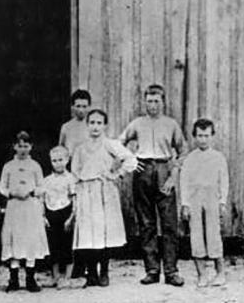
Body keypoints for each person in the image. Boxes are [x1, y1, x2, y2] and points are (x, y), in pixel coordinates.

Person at [120, 84, 187, 287]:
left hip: (164, 169)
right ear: (144, 102)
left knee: (168, 224)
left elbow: (183, 151)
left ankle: (171, 271)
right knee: (146, 224)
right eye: (149, 101)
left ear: (163, 102)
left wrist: (173, 175)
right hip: (143, 172)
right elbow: (118, 143)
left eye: (156, 101)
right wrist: (131, 160)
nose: (153, 105)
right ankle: (152, 270)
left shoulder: (171, 124)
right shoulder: (137, 123)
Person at [72, 110, 138, 287]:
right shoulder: (80, 148)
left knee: (104, 232)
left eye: (99, 123)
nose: (95, 127)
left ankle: (104, 271)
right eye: (92, 122)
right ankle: (91, 272)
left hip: (105, 192)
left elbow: (130, 159)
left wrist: (116, 174)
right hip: (87, 192)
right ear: (87, 125)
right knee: (90, 233)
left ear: (105, 125)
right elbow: (75, 172)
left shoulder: (110, 144)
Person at [180, 118, 229, 287]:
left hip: (212, 198)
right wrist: (185, 204)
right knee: (196, 236)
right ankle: (202, 275)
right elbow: (184, 182)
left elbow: (224, 180)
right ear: (194, 137)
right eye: (200, 135)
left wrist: (222, 201)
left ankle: (220, 273)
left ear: (212, 136)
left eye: (206, 135)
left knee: (214, 235)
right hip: (194, 199)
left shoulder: (218, 157)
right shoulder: (190, 159)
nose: (203, 139)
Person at [0, 131, 49, 293]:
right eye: (19, 146)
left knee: (29, 241)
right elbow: (2, 187)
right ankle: (13, 279)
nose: (22, 149)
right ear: (14, 146)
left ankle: (30, 279)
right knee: (15, 240)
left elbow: (42, 186)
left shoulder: (35, 166)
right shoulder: (8, 166)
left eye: (26, 146)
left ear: (31, 147)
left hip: (30, 207)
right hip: (14, 207)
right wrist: (12, 193)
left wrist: (31, 191)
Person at [42, 145, 76, 289]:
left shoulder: (70, 178)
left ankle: (67, 277)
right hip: (51, 213)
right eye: (54, 160)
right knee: (53, 246)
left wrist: (72, 217)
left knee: (66, 246)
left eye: (61, 160)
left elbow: (75, 199)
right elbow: (42, 199)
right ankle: (55, 277)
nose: (58, 163)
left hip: (65, 213)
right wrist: (43, 216)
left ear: (67, 160)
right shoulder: (47, 180)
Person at [58, 89, 91, 161]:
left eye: (84, 106)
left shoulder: (93, 126)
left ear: (89, 107)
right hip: (71, 165)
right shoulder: (66, 127)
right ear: (72, 107)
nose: (81, 110)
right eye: (78, 106)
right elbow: (60, 150)